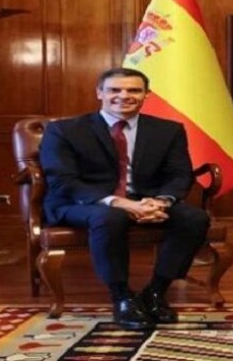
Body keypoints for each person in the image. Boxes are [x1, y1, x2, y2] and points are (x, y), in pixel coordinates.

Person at [39, 67, 210, 330]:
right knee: (110, 217)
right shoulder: (64, 130)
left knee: (194, 217)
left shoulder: (168, 130)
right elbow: (63, 181)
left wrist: (161, 201)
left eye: (133, 90)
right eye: (114, 90)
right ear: (99, 93)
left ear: (146, 95)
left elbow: (180, 174)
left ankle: (156, 292)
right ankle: (121, 297)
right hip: (79, 203)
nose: (124, 96)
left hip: (145, 199)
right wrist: (121, 203)